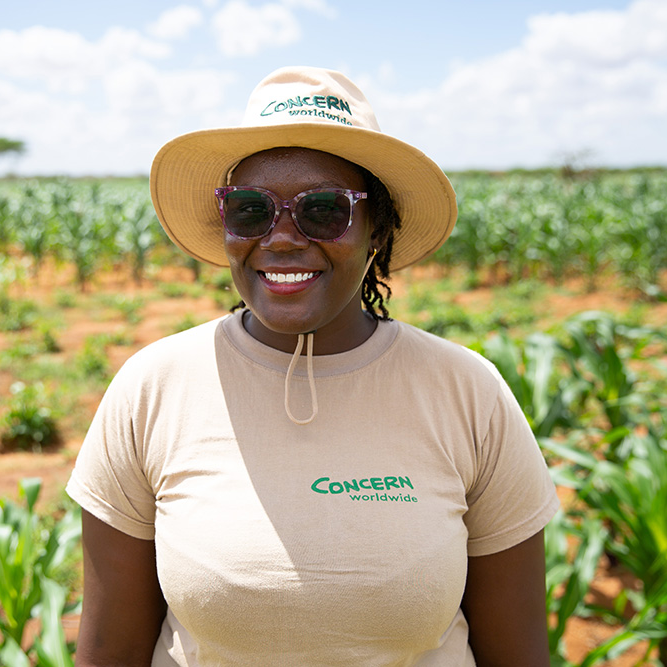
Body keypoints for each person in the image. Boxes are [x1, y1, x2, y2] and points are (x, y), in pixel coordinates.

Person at [67, 66, 559, 667]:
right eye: (250, 210)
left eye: (323, 211)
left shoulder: (466, 392)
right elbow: (111, 649)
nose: (280, 239)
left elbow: (517, 652)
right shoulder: (153, 388)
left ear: (377, 230)